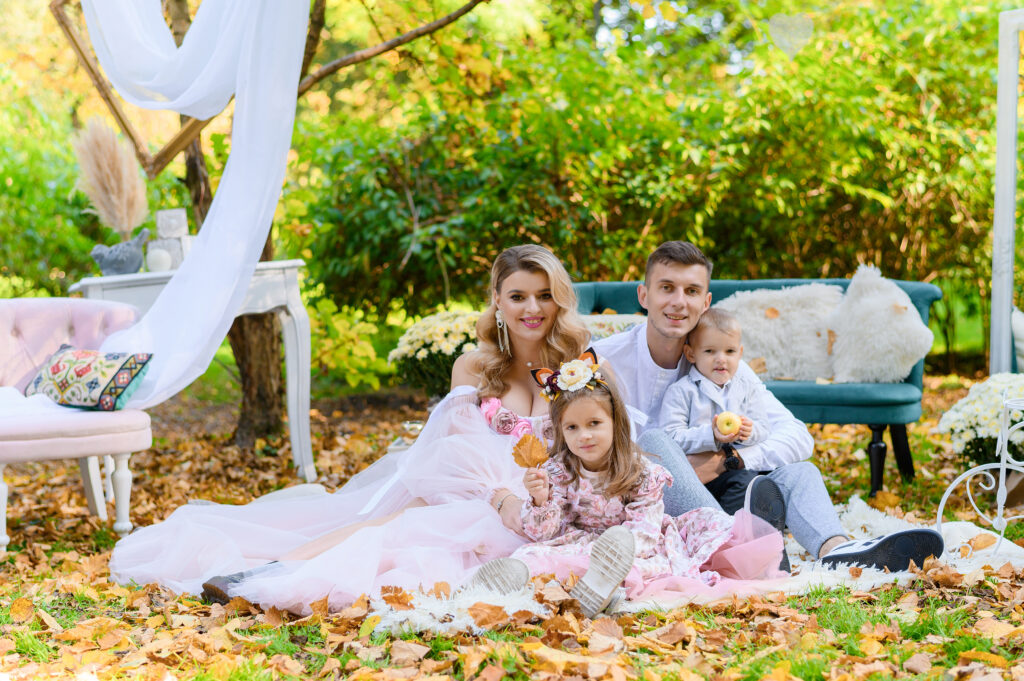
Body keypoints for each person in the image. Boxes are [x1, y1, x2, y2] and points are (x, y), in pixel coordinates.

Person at [109, 244, 591, 614]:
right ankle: (267, 573)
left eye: (545, 295)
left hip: (547, 498)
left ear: (560, 301)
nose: (533, 308)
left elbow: (601, 443)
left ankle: (283, 576)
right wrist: (495, 495)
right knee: (399, 521)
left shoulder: (582, 368)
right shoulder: (474, 367)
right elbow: (453, 450)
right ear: (498, 303)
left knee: (430, 540)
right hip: (469, 488)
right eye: (519, 296)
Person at [594, 241, 944, 571]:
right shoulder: (605, 360)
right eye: (666, 288)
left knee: (800, 472)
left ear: (706, 302)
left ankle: (838, 551)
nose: (678, 302)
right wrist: (684, 467)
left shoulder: (719, 362)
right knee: (654, 442)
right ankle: (736, 546)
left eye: (691, 291)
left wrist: (734, 460)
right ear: (644, 295)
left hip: (722, 487)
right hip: (642, 503)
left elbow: (797, 436)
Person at [474, 352, 787, 617]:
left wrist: (612, 549)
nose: (584, 435)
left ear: (615, 423)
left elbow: (646, 532)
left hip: (632, 545)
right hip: (580, 542)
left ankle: (602, 588)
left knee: (665, 554)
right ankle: (521, 580)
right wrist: (541, 500)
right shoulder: (558, 471)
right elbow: (545, 532)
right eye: (572, 427)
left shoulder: (639, 471)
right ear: (560, 431)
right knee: (539, 554)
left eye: (594, 424)